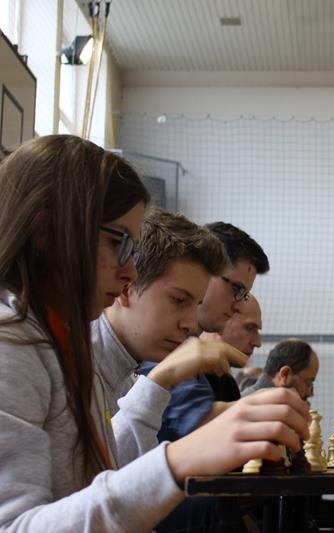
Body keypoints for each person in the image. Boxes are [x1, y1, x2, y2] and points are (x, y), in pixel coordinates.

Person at [0, 135, 309, 531]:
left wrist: (159, 384)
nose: (129, 271)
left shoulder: (63, 344)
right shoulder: (12, 345)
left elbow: (99, 478)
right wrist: (178, 461)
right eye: (117, 242)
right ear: (48, 229)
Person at [94, 207, 245, 464]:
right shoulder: (70, 364)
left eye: (197, 305)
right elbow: (95, 478)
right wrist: (159, 380)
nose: (190, 324)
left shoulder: (126, 377)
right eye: (178, 300)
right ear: (126, 287)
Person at [140, 222, 270, 442]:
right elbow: (196, 422)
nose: (238, 304)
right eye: (237, 289)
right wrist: (272, 405)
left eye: (244, 295)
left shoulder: (194, 353)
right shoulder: (162, 342)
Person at [203, 296, 263, 400]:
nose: (258, 343)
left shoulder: (228, 386)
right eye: (249, 328)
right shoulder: (186, 378)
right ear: (221, 319)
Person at [242, 338, 319, 402]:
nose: (309, 393)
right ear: (285, 374)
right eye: (308, 382)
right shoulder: (266, 410)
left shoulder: (243, 402)